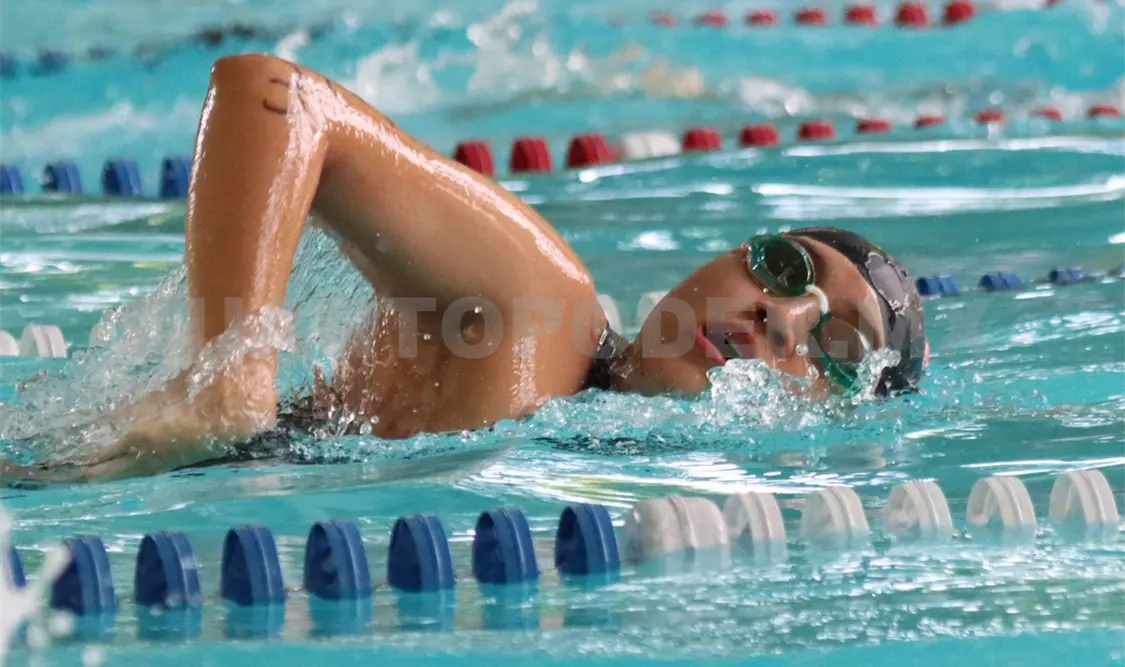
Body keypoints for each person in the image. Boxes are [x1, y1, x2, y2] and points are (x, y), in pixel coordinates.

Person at [1, 54, 926, 482]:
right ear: (717, 263)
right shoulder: (533, 306)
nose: (779, 316)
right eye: (778, 267)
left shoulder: (592, 460)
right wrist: (232, 373)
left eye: (833, 345)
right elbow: (272, 97)